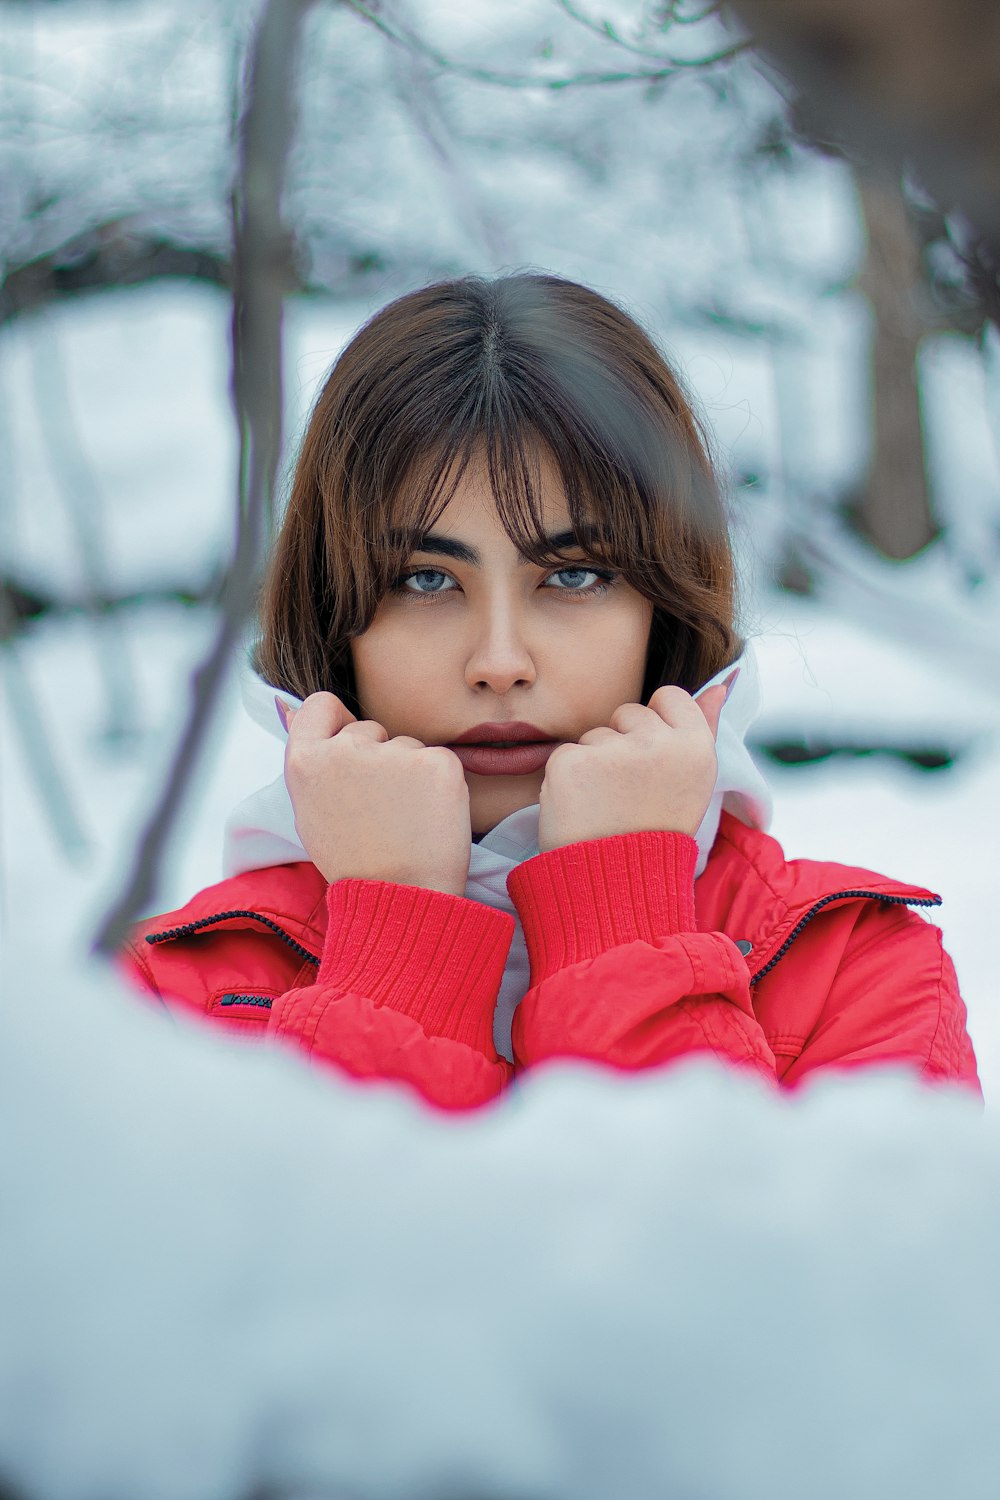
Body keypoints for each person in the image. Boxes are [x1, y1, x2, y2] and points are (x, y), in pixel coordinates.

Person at [120, 272, 981, 1111]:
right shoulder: (163, 1002)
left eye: (575, 576)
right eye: (424, 580)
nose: (500, 662)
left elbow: (716, 1258)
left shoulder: (859, 971)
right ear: (331, 615)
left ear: (667, 608)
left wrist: (623, 914)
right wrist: (396, 936)